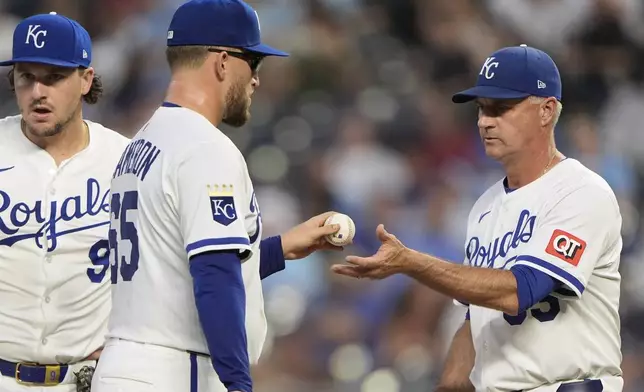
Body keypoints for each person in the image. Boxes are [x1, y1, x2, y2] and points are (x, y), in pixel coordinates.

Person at [333, 45, 623, 392]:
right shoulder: (485, 207)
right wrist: (450, 384)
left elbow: (522, 291)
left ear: (546, 111)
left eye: (501, 108)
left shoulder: (581, 192)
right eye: (482, 109)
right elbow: (477, 320)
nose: (485, 121)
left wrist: (411, 263)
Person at [90, 1, 342, 392]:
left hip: (127, 363)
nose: (257, 78)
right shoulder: (205, 147)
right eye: (252, 62)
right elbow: (214, 275)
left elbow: (170, 267)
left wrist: (280, 249)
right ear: (223, 62)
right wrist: (239, 385)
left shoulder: (142, 142)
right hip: (174, 369)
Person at [0, 11, 130, 392]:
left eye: (54, 78)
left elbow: (160, 269)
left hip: (84, 381)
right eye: (27, 77)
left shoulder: (125, 162)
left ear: (86, 80)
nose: (38, 91)